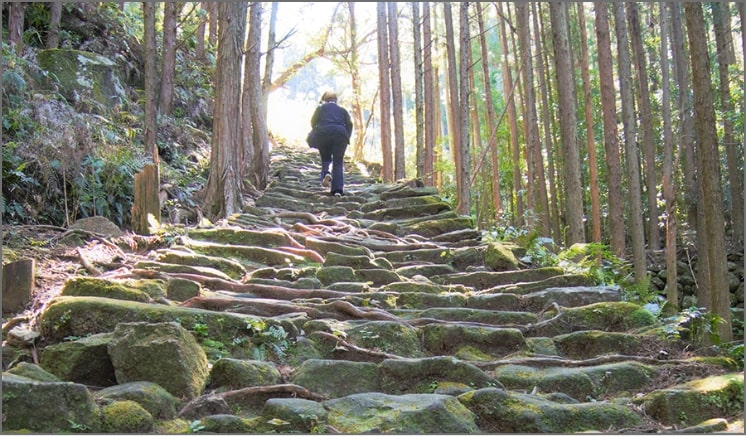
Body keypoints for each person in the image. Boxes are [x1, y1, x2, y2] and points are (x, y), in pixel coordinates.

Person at [309, 91, 353, 197]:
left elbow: (313, 122)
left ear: (324, 100)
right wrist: (346, 136)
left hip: (323, 134)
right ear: (336, 100)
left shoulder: (320, 109)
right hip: (340, 135)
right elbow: (349, 125)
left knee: (326, 159)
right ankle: (337, 190)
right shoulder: (342, 110)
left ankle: (326, 173)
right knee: (338, 162)